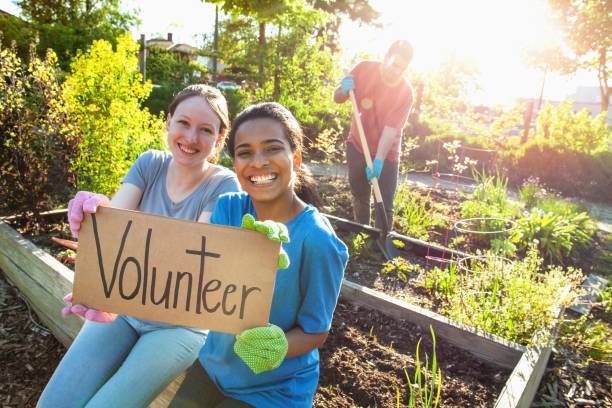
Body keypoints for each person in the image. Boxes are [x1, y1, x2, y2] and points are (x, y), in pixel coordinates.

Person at [38, 84, 241, 408]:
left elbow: (191, 257)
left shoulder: (224, 185)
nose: (191, 138)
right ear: (169, 122)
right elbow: (115, 226)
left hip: (177, 326)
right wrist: (94, 218)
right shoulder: (150, 164)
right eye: (184, 123)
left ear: (218, 139)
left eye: (205, 130)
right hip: (124, 308)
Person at [169, 102, 349, 408]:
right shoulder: (229, 208)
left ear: (296, 157)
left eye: (272, 148)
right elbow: (201, 275)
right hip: (213, 365)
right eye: (245, 152)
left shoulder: (317, 240)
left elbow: (315, 330)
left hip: (273, 389)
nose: (258, 162)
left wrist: (278, 346)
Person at [333, 40, 414, 229]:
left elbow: (391, 130)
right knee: (360, 195)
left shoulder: (405, 92)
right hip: (357, 145)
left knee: (384, 203)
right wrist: (343, 90)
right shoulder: (363, 69)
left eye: (401, 69)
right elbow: (337, 98)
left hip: (387, 154)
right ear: (386, 57)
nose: (396, 72)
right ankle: (363, 234)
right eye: (394, 64)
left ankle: (382, 241)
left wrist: (378, 161)